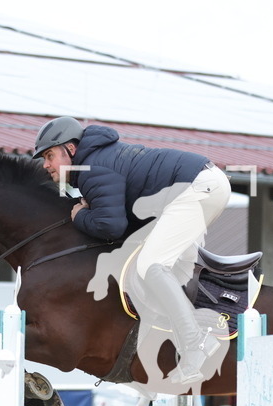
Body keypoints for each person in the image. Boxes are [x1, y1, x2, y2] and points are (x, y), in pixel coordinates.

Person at [32, 116, 231, 384]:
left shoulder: (91, 168)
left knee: (151, 266)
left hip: (198, 188)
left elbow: (111, 227)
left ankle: (196, 344)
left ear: (71, 149)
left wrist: (79, 215)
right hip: (203, 185)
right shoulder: (96, 161)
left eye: (50, 155)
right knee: (169, 268)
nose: (45, 165)